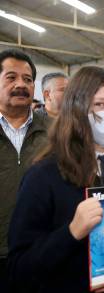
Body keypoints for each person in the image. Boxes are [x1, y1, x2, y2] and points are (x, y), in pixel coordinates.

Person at [8, 66, 104, 293]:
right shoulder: (44, 176)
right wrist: (71, 232)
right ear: (76, 108)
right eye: (99, 105)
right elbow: (19, 267)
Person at [0, 49, 49, 293]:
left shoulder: (58, 132)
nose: (21, 84)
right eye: (11, 77)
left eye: (28, 79)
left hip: (42, 254)